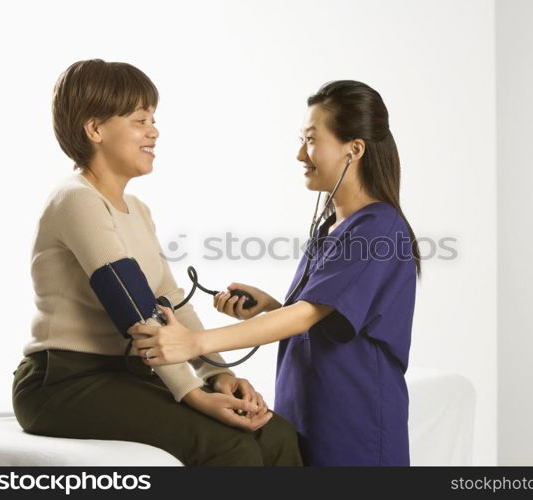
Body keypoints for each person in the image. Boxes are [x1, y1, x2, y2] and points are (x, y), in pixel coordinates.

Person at [11, 59, 303, 466]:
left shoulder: (138, 209)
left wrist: (218, 374)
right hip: (63, 382)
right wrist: (193, 393)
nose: (154, 130)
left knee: (275, 434)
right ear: (94, 130)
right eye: (139, 119)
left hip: (128, 375)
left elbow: (171, 300)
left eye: (153, 118)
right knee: (230, 444)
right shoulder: (76, 199)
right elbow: (134, 307)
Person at [129, 80, 420, 466]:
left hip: (356, 427)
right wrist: (270, 306)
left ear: (355, 149)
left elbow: (306, 315)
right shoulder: (332, 227)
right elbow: (328, 317)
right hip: (310, 417)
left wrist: (194, 344)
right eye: (301, 139)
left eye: (312, 140)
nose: (301, 153)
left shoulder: (378, 229)